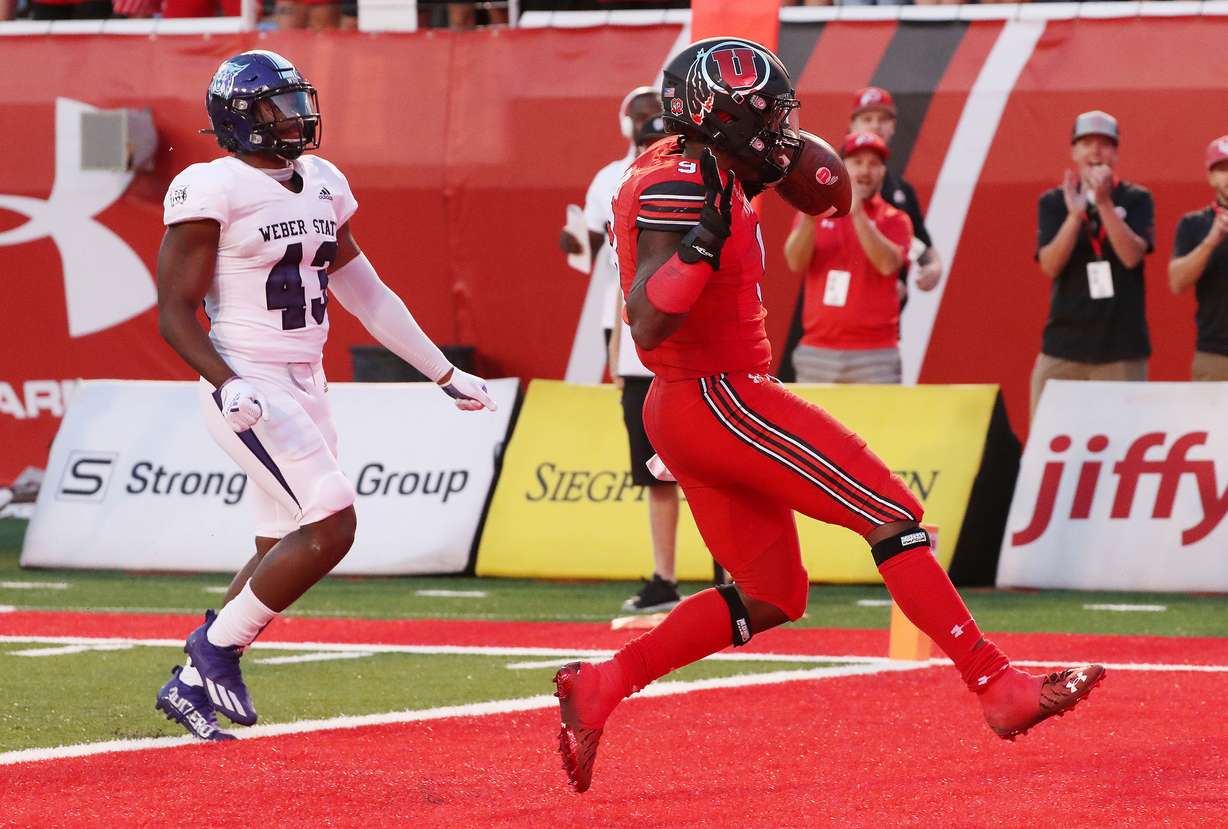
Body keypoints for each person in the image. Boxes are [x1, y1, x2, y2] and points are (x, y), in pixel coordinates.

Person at [552, 37, 1104, 794]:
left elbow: (832, 192)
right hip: (717, 392)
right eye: (766, 117)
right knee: (892, 511)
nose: (779, 130)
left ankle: (603, 685)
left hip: (698, 401)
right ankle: (996, 685)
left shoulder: (707, 163)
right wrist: (708, 237)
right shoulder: (682, 182)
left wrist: (779, 169)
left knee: (773, 591)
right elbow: (647, 319)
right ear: (719, 117)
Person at [153, 50, 496, 741]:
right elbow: (172, 312)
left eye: (297, 102)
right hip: (249, 378)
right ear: (240, 119)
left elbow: (368, 291)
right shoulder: (210, 187)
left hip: (306, 379)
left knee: (280, 540)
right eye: (277, 107)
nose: (296, 117)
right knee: (333, 519)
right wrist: (231, 383)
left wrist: (442, 372)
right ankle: (212, 650)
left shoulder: (323, 182)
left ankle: (191, 684)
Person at [1032, 110, 1153, 420]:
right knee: (1049, 445)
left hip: (1120, 350)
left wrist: (1103, 203)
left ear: (1116, 153)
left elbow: (1131, 256)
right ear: (1074, 152)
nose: (1096, 151)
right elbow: (1050, 265)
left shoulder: (1136, 198)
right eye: (1087, 143)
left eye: (1105, 144)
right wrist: (1074, 215)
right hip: (1062, 347)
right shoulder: (1053, 202)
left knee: (1119, 447)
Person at [609, 114, 682, 613]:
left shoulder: (691, 188)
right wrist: (615, 351)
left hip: (686, 357)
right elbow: (617, 279)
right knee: (654, 475)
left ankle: (734, 572)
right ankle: (665, 576)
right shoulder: (620, 189)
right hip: (641, 351)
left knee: (707, 473)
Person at [783, 131, 912, 383]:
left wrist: (858, 213)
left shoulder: (895, 219)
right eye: (858, 162)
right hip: (817, 352)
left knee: (876, 424)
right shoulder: (816, 214)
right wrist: (810, 217)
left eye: (874, 164)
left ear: (883, 172)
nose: (865, 170)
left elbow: (887, 265)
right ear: (842, 167)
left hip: (875, 356)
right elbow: (795, 261)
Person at [559, 87, 663, 359]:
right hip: (622, 309)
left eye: (658, 115)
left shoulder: (688, 166)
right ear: (627, 123)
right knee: (630, 396)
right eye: (642, 117)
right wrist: (574, 240)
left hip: (673, 303)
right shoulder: (609, 177)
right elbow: (588, 244)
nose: (652, 123)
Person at [848, 86, 942, 299]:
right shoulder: (830, 181)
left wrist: (933, 266)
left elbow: (918, 242)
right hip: (837, 312)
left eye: (883, 119)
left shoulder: (901, 190)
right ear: (852, 125)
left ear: (893, 127)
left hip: (887, 315)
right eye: (867, 118)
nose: (875, 125)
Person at [1168, 135, 1228, 381]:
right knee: (1212, 422)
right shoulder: (1193, 224)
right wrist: (1211, 240)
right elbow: (1177, 283)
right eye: (1223, 170)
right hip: (1215, 356)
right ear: (1210, 177)